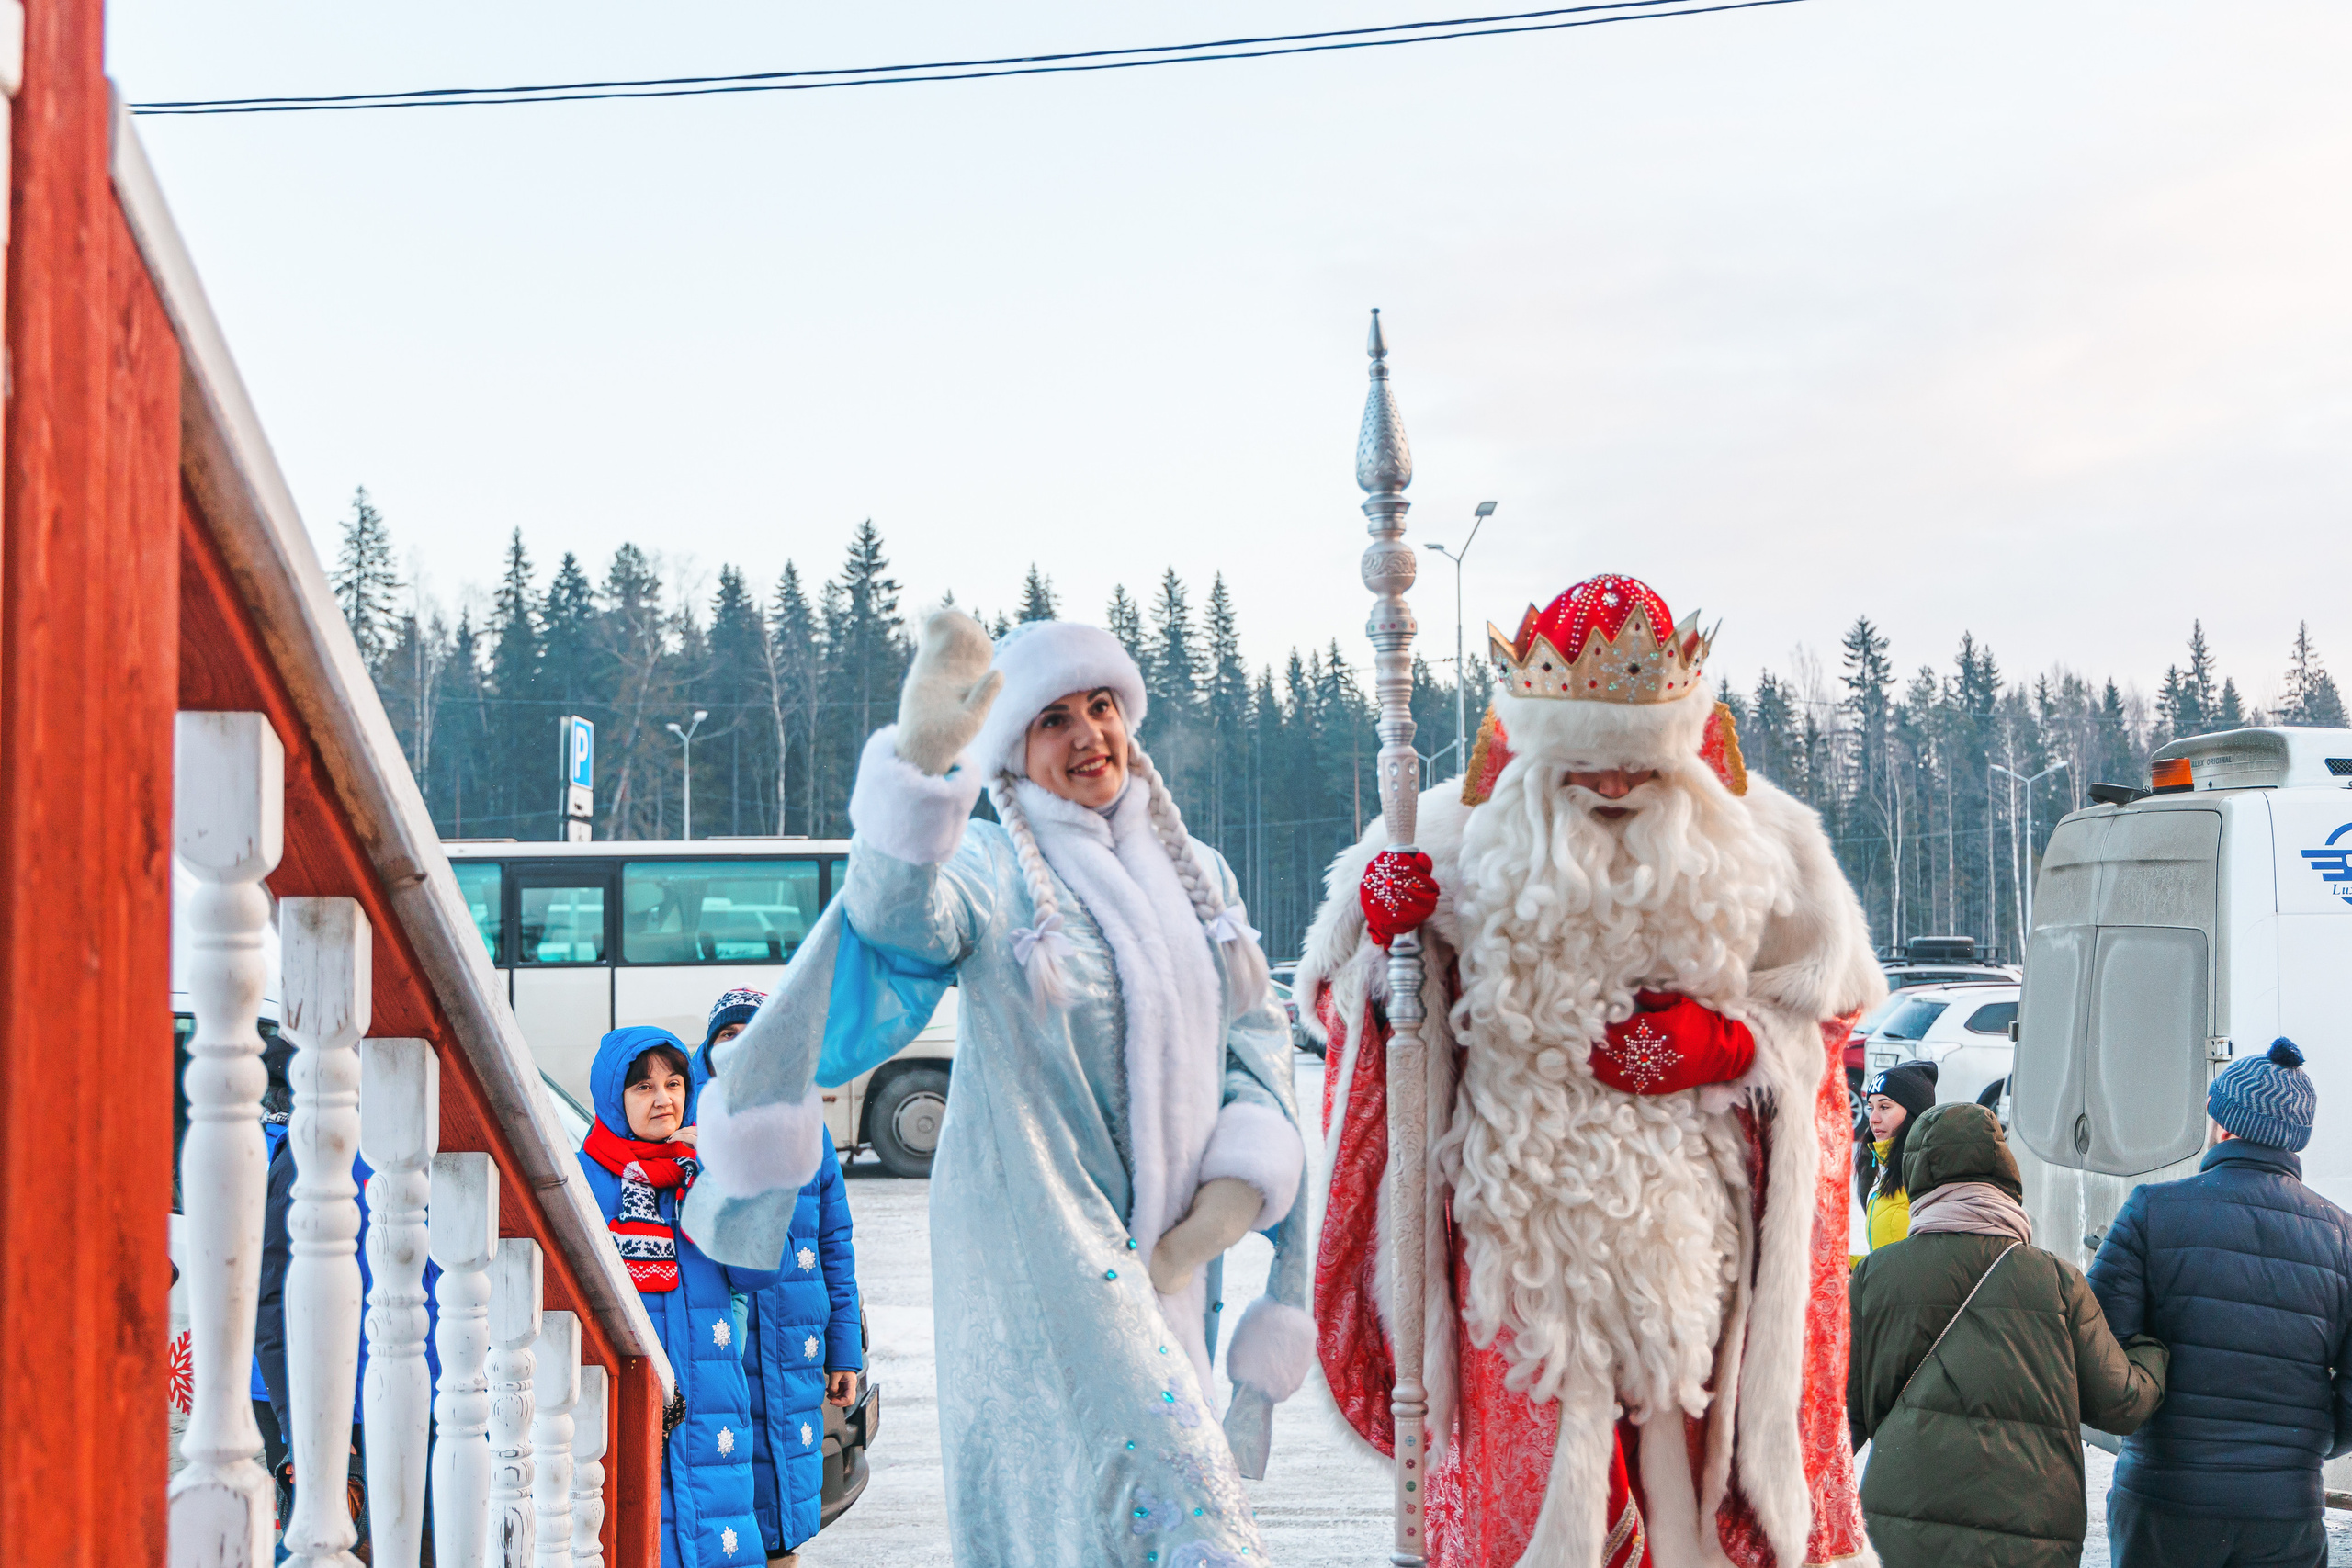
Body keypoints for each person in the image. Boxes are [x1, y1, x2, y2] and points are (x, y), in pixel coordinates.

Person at [686, 612, 1313, 1568]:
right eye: (1052, 719)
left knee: (1104, 1506)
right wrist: (921, 771)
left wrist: (1235, 1188)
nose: (1087, 735)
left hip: (1170, 1254)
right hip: (1036, 1235)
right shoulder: (988, 868)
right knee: (1180, 1509)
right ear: (1015, 753)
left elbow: (1254, 1028)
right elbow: (892, 918)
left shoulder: (1199, 876)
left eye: (1100, 707)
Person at [1297, 573, 1886, 1566]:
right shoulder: (1440, 835)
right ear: (1531, 749)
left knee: (1686, 1522)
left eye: (1639, 771)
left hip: (1695, 1267)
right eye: (1584, 767)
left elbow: (1828, 1021)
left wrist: (1733, 1046)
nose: (1612, 789)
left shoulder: (1765, 848)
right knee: (1524, 1514)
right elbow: (1343, 1025)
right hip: (1511, 1263)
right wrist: (1379, 948)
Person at [1848, 1101, 2166, 1565]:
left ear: (1918, 1179)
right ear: (2006, 1177)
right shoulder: (2057, 1281)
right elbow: (2121, 1404)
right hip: (2034, 1533)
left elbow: (1837, 1421)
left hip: (1902, 1532)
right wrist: (2150, 1347)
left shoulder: (1875, 1278)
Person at [2089, 1037, 2352, 1568]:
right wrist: (2301, 1450)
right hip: (2285, 1510)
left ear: (2224, 1124)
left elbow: (2094, 1349)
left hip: (2165, 1497)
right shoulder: (2343, 1237)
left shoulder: (2151, 1211)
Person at [578, 1026, 782, 1568]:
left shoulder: (700, 1173)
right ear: (613, 1098)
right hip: (622, 1409)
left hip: (710, 1408)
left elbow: (758, 1272)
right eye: (643, 1088)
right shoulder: (586, 1183)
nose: (664, 1099)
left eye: (673, 1082)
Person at [687, 989, 860, 1568]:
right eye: (727, 1038)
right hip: (719, 1348)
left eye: (753, 1037)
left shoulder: (806, 1130)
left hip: (793, 1347)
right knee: (723, 1503)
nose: (740, 1050)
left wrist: (845, 1352)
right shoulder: (687, 1124)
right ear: (709, 1051)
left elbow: (835, 1244)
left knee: (782, 1506)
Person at [1855, 1061, 1939, 1253]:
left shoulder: (1929, 1177)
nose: (1873, 1118)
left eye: (1884, 1107)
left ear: (1914, 1113)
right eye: (1871, 1108)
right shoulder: (1890, 1173)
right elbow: (1889, 1260)